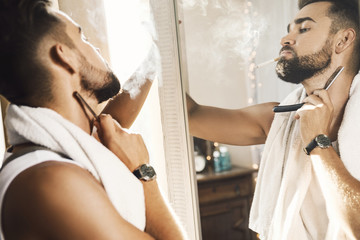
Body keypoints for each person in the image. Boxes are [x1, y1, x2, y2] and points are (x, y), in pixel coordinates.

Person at [0, 0, 187, 239]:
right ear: (64, 56)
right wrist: (142, 170)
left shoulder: (58, 145)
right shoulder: (53, 182)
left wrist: (158, 53)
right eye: (83, 38)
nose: (95, 48)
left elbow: (113, 121)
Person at [187, 0, 360, 239]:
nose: (285, 40)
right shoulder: (278, 120)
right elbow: (189, 116)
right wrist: (160, 48)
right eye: (289, 29)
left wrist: (317, 142)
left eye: (303, 29)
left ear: (343, 40)